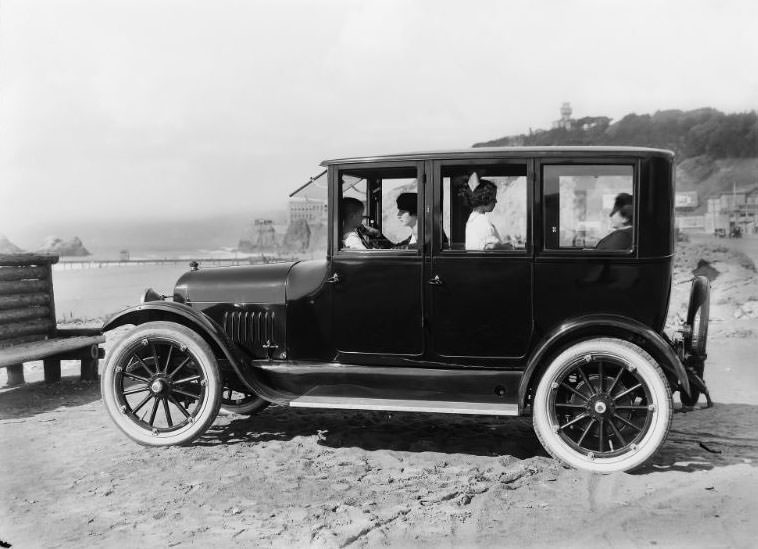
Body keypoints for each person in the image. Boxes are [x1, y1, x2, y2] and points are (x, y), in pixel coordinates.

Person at [465, 177, 510, 250]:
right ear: (485, 198)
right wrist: (508, 247)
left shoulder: (473, 218)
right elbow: (490, 247)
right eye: (493, 198)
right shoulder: (481, 220)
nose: (496, 201)